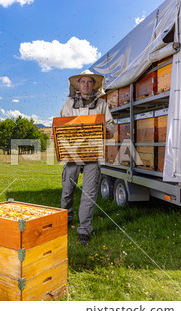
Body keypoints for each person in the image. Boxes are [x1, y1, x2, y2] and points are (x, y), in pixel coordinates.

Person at [58, 71, 114, 245]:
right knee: (68, 189)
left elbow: (110, 126)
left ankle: (84, 230)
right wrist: (55, 134)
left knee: (89, 193)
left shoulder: (102, 105)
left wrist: (107, 131)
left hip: (93, 154)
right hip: (72, 153)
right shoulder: (68, 105)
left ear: (94, 85)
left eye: (90, 82)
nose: (86, 84)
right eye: (83, 82)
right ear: (78, 85)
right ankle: (65, 220)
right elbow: (59, 125)